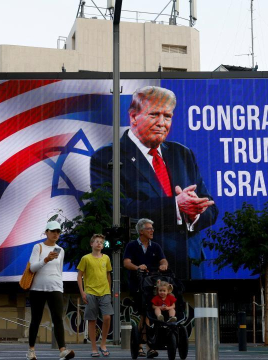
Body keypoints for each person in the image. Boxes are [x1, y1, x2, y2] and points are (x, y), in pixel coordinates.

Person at [90, 85, 218, 279]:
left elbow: (210, 206)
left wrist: (194, 213)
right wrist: (175, 206)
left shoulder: (182, 153)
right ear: (133, 117)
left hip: (190, 268)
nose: (161, 123)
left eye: (167, 116)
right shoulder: (108, 156)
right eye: (154, 115)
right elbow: (117, 210)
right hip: (147, 268)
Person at [26, 221, 75, 360]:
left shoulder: (61, 250)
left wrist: (60, 286)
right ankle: (31, 350)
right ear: (46, 232)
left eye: (58, 231)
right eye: (53, 231)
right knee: (36, 319)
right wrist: (46, 259)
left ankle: (62, 350)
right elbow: (32, 268)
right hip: (37, 288)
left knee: (58, 319)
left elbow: (59, 271)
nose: (55, 234)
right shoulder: (38, 247)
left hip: (55, 287)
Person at [123, 218, 168, 359]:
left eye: (152, 229)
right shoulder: (131, 246)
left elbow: (163, 259)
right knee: (144, 314)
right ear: (141, 231)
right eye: (149, 229)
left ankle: (150, 346)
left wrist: (163, 265)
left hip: (153, 286)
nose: (152, 231)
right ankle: (141, 346)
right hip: (138, 286)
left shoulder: (155, 246)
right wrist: (137, 267)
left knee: (151, 314)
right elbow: (126, 262)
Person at [77, 234, 114, 358]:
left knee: (107, 317)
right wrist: (83, 292)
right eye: (97, 242)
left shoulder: (106, 258)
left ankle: (103, 344)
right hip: (90, 292)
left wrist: (109, 289)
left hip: (104, 292)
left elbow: (108, 274)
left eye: (101, 242)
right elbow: (79, 276)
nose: (99, 244)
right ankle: (94, 347)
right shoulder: (86, 258)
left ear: (103, 246)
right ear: (91, 244)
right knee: (92, 320)